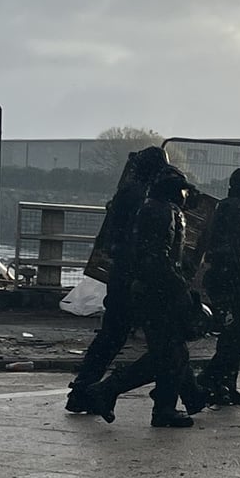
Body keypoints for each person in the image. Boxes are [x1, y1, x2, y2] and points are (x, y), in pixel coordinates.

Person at [83, 166, 204, 427]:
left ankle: (169, 405)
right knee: (166, 354)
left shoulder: (153, 208)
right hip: (158, 293)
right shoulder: (164, 212)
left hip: (151, 290)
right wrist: (179, 288)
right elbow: (158, 258)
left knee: (172, 352)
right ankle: (110, 390)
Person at [66, 146, 173, 413]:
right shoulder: (143, 198)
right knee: (162, 342)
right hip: (134, 277)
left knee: (113, 335)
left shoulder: (128, 193)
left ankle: (83, 390)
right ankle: (95, 390)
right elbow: (141, 240)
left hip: (123, 273)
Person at [198, 167, 240, 406]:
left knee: (233, 334)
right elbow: (234, 251)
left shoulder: (228, 206)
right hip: (232, 279)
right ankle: (210, 378)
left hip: (226, 277)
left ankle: (224, 385)